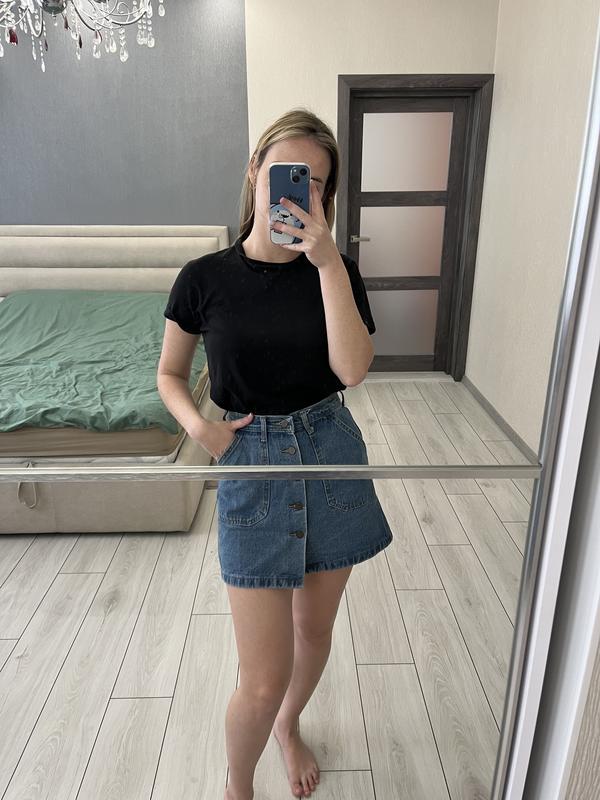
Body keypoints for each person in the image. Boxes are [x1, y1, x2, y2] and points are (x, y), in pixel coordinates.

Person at [157, 107, 394, 800]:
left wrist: (326, 262)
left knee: (313, 631)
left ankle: (291, 727)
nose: (298, 190)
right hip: (251, 460)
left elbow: (353, 371)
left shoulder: (337, 270)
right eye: (287, 172)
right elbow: (169, 375)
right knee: (260, 680)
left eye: (315, 182)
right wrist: (200, 429)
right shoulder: (203, 277)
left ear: (326, 195)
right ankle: (239, 788)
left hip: (330, 449)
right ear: (254, 173)